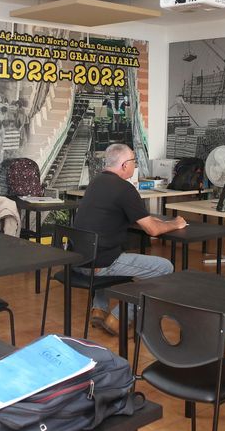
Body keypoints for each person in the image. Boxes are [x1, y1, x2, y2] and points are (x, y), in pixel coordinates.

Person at [74, 143, 187, 336]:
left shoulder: (96, 182)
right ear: (125, 165)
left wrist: (152, 221)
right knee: (165, 267)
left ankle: (99, 309)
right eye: (134, 161)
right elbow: (152, 230)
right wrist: (174, 224)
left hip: (78, 259)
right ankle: (120, 318)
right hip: (99, 264)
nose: (135, 166)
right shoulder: (124, 189)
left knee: (108, 252)